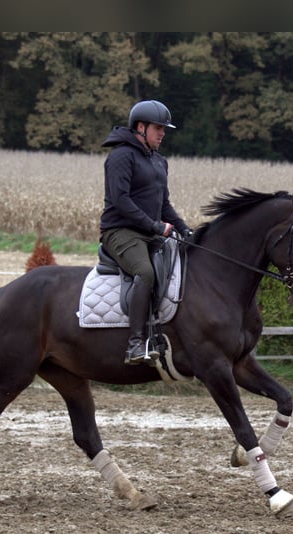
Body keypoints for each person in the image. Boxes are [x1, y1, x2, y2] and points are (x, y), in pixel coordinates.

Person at [99, 100, 193, 366]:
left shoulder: (159, 162)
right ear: (140, 127)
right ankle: (135, 344)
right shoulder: (120, 156)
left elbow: (164, 206)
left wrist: (184, 229)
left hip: (150, 232)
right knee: (146, 272)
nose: (162, 133)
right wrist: (154, 226)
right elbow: (121, 200)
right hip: (120, 231)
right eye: (158, 128)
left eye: (164, 129)